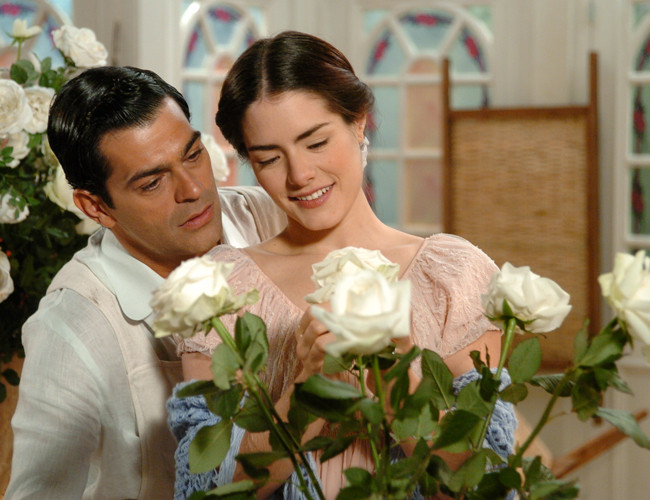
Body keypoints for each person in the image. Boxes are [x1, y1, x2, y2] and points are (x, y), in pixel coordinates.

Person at [168, 31, 516, 499]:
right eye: (269, 158)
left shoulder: (452, 275)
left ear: (358, 122)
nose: (299, 175)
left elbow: (485, 485)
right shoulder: (219, 287)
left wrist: (396, 382)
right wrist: (306, 390)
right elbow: (203, 490)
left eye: (315, 142)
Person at [5, 66, 286, 499]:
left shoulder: (266, 216)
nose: (193, 189)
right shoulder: (73, 327)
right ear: (96, 207)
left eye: (193, 155)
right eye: (153, 182)